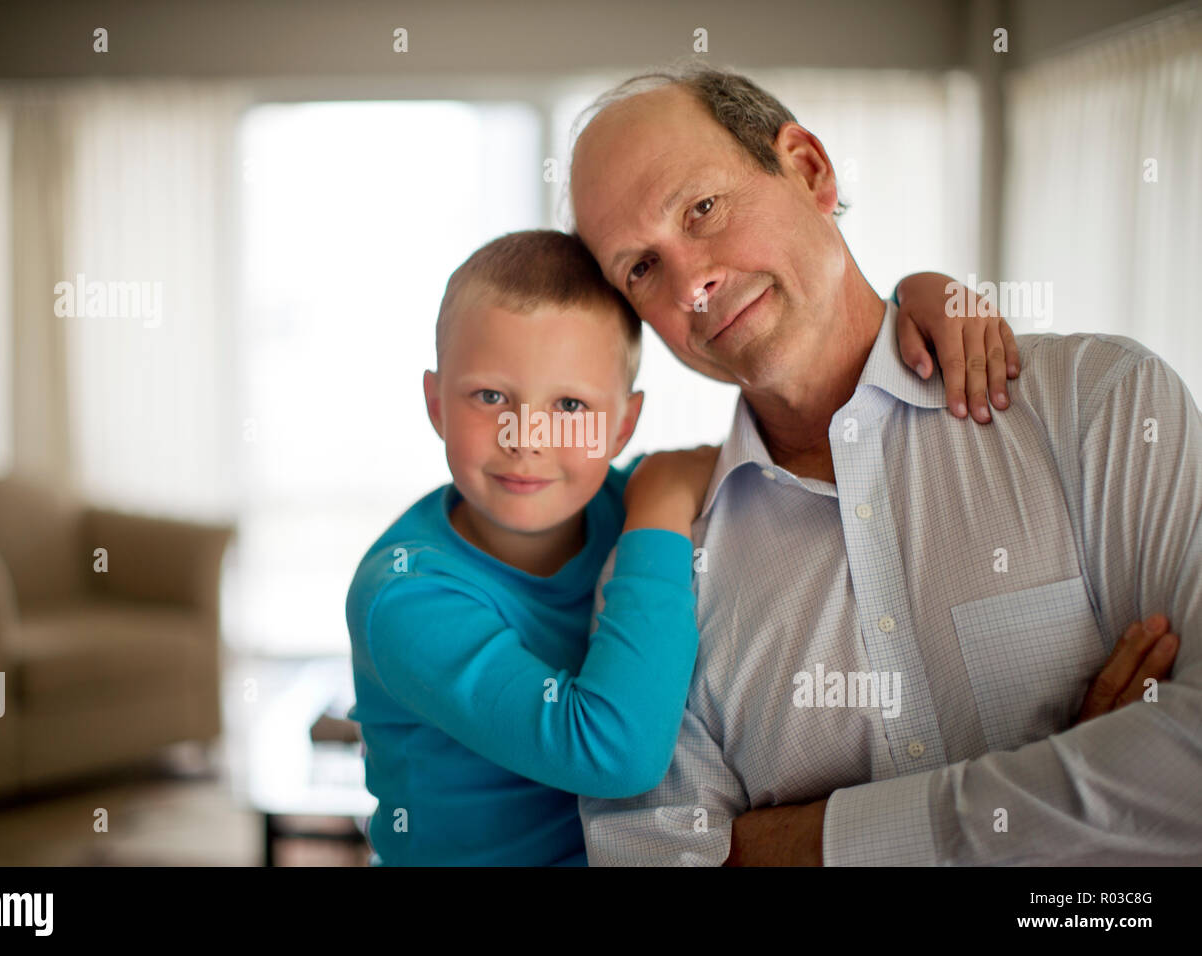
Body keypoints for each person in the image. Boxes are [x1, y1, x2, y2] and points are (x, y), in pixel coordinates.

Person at [569, 65, 1198, 865]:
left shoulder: (1102, 405)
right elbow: (650, 857)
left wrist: (788, 847)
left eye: (702, 208)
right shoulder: (656, 577)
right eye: (642, 269)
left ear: (808, 168)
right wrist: (1081, 805)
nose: (693, 282)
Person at [344, 228, 1011, 865]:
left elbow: (820, 427)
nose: (528, 437)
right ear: (435, 403)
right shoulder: (403, 597)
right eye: (490, 396)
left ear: (624, 424)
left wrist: (919, 297)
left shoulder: (630, 513)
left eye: (571, 407)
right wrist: (661, 502)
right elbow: (613, 754)